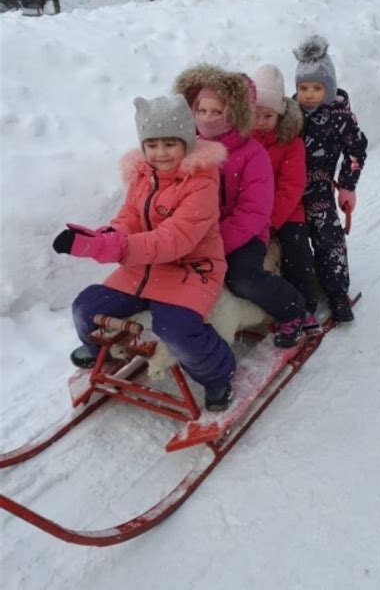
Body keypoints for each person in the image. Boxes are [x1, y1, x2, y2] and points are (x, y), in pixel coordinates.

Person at [52, 94, 236, 412]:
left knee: (176, 329)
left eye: (170, 143)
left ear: (187, 142)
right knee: (86, 307)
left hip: (190, 269)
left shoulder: (201, 183)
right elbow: (128, 218)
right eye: (152, 145)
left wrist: (120, 248)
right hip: (142, 266)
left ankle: (219, 373)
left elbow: (174, 240)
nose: (160, 153)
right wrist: (102, 239)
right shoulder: (142, 175)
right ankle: (102, 353)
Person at [174, 65, 306, 347]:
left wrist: (217, 242)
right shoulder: (191, 147)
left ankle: (291, 306)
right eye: (201, 110)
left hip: (243, 236)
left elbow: (253, 212)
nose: (207, 118)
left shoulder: (251, 154)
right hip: (199, 231)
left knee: (241, 279)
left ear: (232, 113)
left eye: (216, 112)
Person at [293, 35, 368, 322]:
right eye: (303, 88)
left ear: (329, 86)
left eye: (316, 87)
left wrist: (347, 186)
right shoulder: (291, 114)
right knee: (294, 243)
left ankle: (337, 292)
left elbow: (356, 150)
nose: (309, 94)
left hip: (320, 189)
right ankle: (299, 293)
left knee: (328, 240)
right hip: (289, 190)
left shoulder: (340, 117)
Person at [251, 64, 321, 335]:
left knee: (296, 253)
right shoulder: (245, 140)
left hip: (287, 212)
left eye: (267, 115)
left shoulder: (291, 143)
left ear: (279, 114)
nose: (261, 122)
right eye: (255, 115)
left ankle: (305, 306)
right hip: (252, 212)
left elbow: (292, 187)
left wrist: (270, 222)